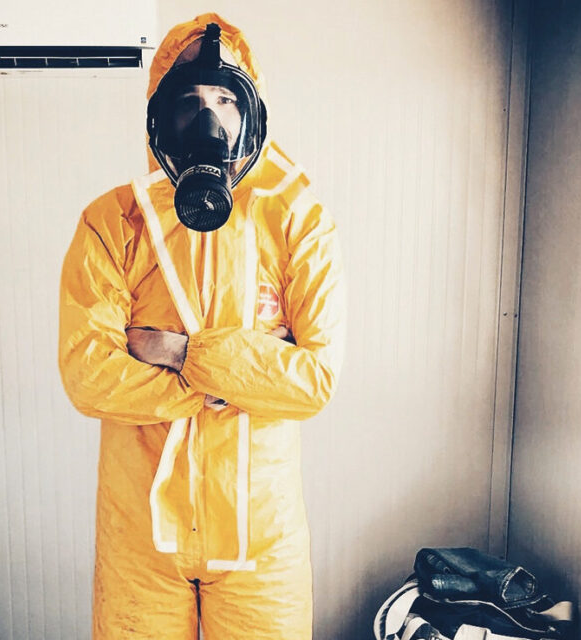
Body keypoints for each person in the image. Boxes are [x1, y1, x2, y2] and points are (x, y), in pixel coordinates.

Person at [58, 13, 345, 639]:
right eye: (188, 102)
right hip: (140, 542)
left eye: (223, 100)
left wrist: (177, 353)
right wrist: (243, 377)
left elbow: (313, 382)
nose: (207, 121)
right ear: (160, 117)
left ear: (250, 112)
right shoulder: (113, 222)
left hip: (260, 544)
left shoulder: (297, 219)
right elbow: (88, 377)